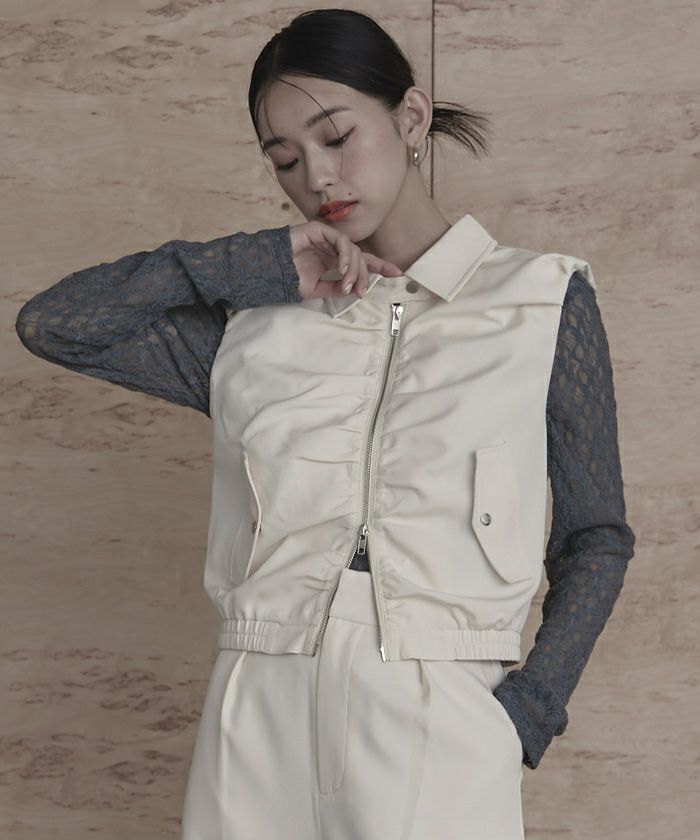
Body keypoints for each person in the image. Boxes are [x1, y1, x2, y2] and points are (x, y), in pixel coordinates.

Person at [14, 8, 636, 840]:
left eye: (337, 137)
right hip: (257, 708)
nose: (318, 177)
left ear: (411, 118)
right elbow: (54, 324)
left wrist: (526, 712)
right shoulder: (252, 330)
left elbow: (596, 536)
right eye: (285, 159)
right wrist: (260, 262)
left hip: (440, 711)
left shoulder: (540, 303)